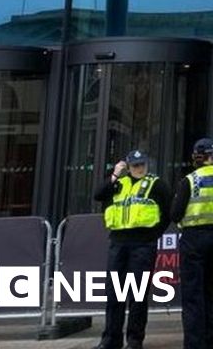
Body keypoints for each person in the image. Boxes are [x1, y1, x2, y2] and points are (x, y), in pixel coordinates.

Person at [94, 149, 172, 349]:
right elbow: (98, 195)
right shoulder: (119, 183)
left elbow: (169, 212)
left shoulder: (156, 184)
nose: (139, 169)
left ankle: (135, 341)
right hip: (118, 243)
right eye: (135, 165)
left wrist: (153, 235)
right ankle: (111, 339)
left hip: (142, 245)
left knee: (137, 295)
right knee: (114, 294)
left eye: (142, 165)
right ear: (128, 166)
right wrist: (114, 174)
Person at [170, 137, 213, 349]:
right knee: (210, 291)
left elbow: (175, 214)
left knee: (192, 294)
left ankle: (194, 343)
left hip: (192, 239)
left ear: (196, 157)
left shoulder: (189, 181)